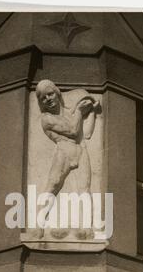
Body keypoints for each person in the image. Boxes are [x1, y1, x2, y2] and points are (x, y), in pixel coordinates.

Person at [34, 79, 98, 239]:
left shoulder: (71, 111)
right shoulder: (46, 119)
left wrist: (91, 113)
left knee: (85, 189)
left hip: (80, 150)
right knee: (53, 185)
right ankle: (38, 226)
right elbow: (72, 130)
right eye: (43, 98)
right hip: (64, 151)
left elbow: (87, 134)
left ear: (57, 93)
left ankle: (87, 228)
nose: (48, 99)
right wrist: (79, 112)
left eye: (50, 94)